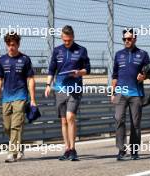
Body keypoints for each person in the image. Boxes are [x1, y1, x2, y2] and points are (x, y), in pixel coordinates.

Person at [44, 25, 91, 161]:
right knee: (63, 120)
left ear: (73, 37)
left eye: (69, 40)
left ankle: (73, 149)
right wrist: (48, 85)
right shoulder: (57, 51)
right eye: (64, 40)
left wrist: (79, 73)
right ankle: (67, 149)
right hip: (60, 89)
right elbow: (52, 70)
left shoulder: (81, 50)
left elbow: (88, 69)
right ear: (61, 38)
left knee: (70, 117)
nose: (67, 43)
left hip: (75, 88)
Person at [0, 32, 36, 163]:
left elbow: (30, 80)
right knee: (7, 126)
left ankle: (11, 153)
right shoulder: (2, 60)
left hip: (21, 96)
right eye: (9, 45)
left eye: (13, 45)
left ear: (18, 45)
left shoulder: (25, 59)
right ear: (6, 45)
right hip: (6, 98)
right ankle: (19, 146)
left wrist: (32, 99)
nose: (11, 47)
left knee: (16, 125)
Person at [111, 28, 150, 161]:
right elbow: (115, 76)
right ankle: (121, 150)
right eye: (124, 39)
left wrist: (143, 77)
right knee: (118, 119)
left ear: (135, 39)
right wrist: (112, 93)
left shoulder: (143, 54)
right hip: (120, 93)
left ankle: (134, 151)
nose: (126, 41)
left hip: (136, 94)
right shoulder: (118, 54)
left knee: (135, 123)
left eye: (129, 39)